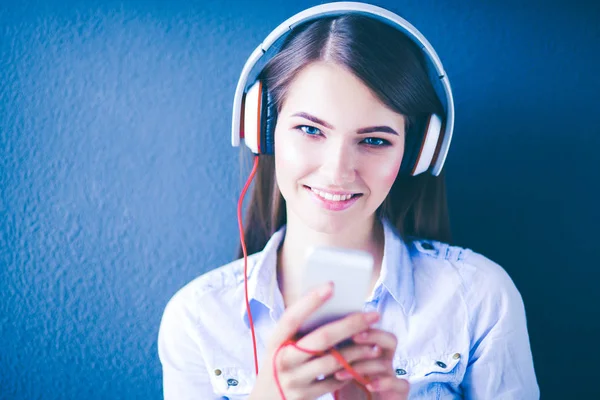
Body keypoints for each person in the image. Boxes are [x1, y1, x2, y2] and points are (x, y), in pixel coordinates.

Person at [158, 3, 540, 399]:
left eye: (374, 140)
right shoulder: (197, 319)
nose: (338, 172)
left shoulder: (478, 298)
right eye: (310, 129)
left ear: (417, 154)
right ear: (263, 129)